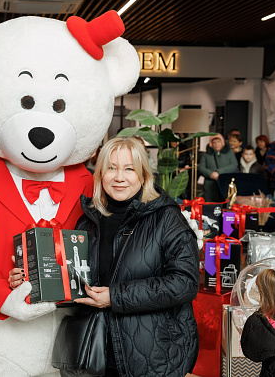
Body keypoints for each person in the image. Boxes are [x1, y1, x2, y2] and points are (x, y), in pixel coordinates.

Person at [38, 137, 199, 376]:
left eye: (129, 169)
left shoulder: (167, 219)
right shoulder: (88, 220)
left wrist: (115, 297)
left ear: (143, 175)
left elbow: (185, 283)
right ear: (100, 174)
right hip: (94, 353)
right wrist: (32, 276)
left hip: (152, 355)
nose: (119, 177)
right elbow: (74, 282)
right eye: (111, 168)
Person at [199, 134, 238, 202]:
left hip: (226, 183)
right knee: (210, 204)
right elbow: (201, 168)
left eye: (218, 142)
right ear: (211, 144)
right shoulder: (206, 155)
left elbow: (234, 165)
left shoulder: (229, 153)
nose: (216, 144)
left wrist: (219, 172)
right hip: (210, 185)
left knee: (227, 203)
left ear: (222, 142)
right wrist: (211, 174)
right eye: (214, 142)